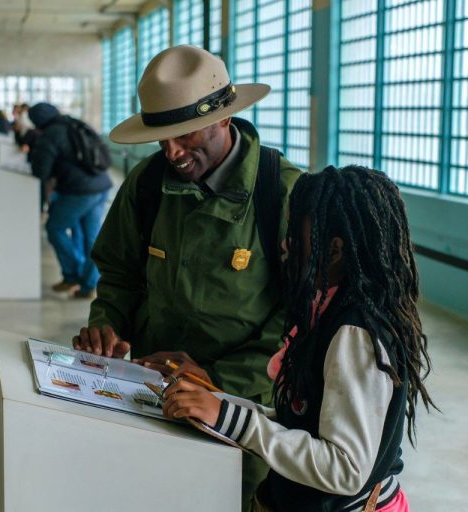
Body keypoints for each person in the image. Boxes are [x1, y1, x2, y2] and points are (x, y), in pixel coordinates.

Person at [71, 45, 302, 506]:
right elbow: (119, 273)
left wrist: (215, 379)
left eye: (185, 134)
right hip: (151, 399)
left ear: (224, 118)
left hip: (245, 413)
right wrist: (109, 324)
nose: (172, 152)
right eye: (162, 138)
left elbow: (302, 321)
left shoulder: (284, 194)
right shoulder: (147, 183)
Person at [162, 166, 438, 512]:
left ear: (334, 250)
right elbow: (305, 424)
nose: (284, 245)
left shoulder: (355, 333)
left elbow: (345, 469)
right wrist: (220, 405)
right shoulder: (331, 308)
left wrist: (231, 418)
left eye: (294, 236)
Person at [29, 103, 112, 298]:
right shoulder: (75, 123)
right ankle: (88, 284)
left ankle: (72, 275)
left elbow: (40, 170)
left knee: (55, 228)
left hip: (79, 191)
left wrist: (40, 203)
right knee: (91, 237)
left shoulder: (50, 134)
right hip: (101, 185)